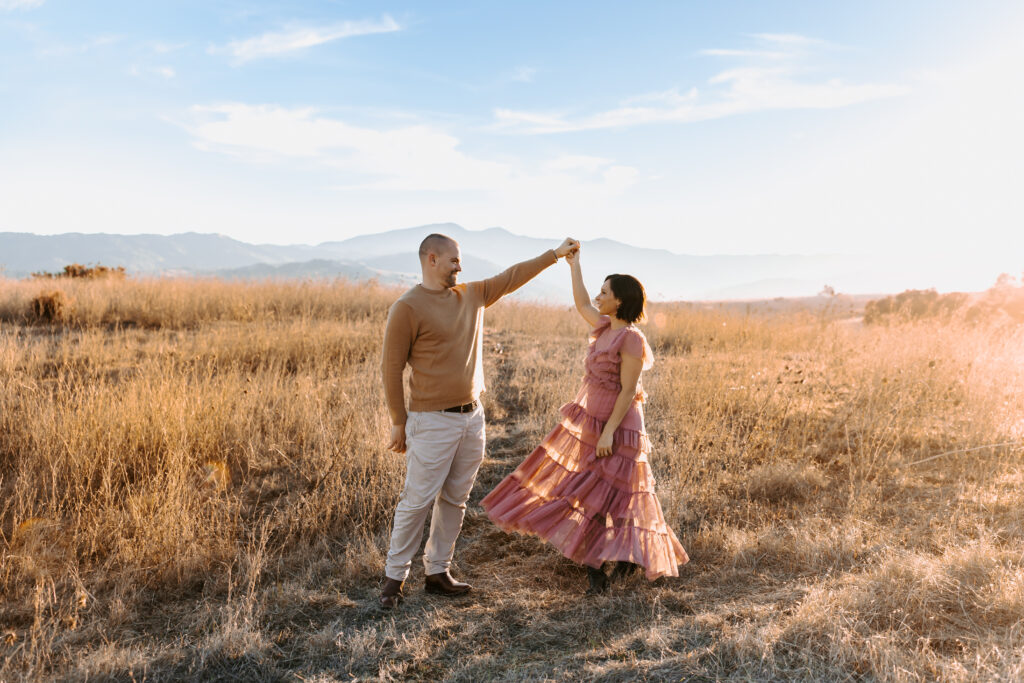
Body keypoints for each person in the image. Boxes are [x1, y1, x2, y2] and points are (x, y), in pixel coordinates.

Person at [379, 232, 581, 608]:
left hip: (472, 417)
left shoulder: (471, 295)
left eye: (461, 260)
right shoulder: (407, 308)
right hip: (431, 420)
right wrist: (397, 420)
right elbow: (391, 369)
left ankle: (438, 571)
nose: (460, 266)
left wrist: (554, 255)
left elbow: (512, 276)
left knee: (455, 499)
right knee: (417, 501)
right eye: (454, 260)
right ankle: (394, 579)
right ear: (432, 259)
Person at [481, 243, 688, 593]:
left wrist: (609, 433)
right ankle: (606, 565)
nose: (598, 296)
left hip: (619, 427)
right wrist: (574, 264)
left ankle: (608, 568)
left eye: (604, 292)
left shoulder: (632, 339)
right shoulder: (605, 326)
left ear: (619, 300)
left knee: (617, 496)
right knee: (590, 493)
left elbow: (628, 391)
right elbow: (581, 304)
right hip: (593, 422)